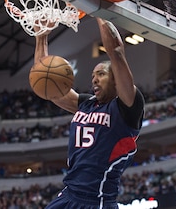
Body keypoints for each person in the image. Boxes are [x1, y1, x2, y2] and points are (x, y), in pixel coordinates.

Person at [33, 17, 145, 209]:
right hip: (68, 195)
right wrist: (41, 36)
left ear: (116, 79)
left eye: (101, 74)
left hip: (97, 200)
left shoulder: (127, 107)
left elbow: (116, 52)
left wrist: (98, 11)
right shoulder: (86, 104)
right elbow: (47, 86)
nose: (94, 79)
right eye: (93, 76)